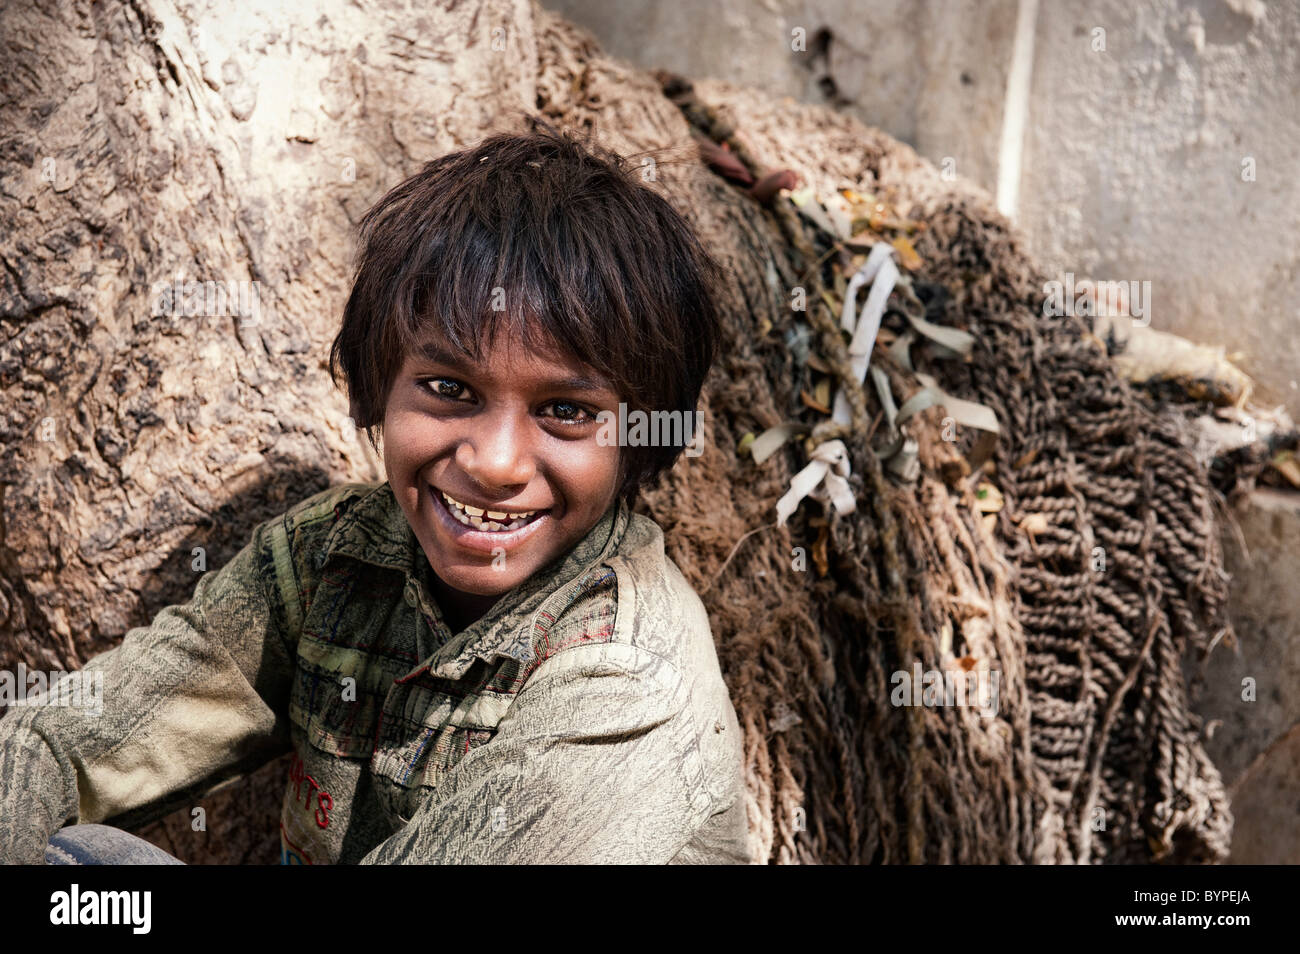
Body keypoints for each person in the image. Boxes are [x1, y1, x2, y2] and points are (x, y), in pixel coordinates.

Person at [0, 118, 751, 865]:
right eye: (448, 388)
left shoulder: (626, 682)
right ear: (375, 393)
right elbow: (54, 741)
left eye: (566, 411)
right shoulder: (333, 560)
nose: (494, 463)